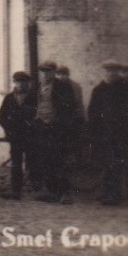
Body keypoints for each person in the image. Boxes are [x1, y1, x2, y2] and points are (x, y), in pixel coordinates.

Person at [89, 61, 128, 207]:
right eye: (109, 71)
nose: (111, 74)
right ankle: (111, 196)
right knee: (110, 165)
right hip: (107, 135)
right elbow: (93, 113)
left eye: (114, 71)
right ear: (104, 72)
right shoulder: (98, 90)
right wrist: (96, 133)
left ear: (118, 72)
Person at [31, 60, 83, 203]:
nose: (46, 73)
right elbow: (36, 104)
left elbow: (69, 107)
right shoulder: (39, 86)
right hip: (42, 126)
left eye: (48, 71)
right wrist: (37, 120)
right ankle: (51, 191)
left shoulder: (63, 87)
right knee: (46, 159)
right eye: (43, 71)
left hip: (58, 127)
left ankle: (65, 193)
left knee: (60, 160)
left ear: (54, 72)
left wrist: (63, 124)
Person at [0, 70, 37, 199]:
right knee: (16, 163)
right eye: (18, 82)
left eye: (24, 82)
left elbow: (39, 114)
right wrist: (8, 129)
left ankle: (36, 189)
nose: (21, 85)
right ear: (14, 83)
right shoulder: (9, 98)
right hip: (15, 135)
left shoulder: (34, 97)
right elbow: (1, 116)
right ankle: (16, 191)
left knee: (33, 161)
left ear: (28, 83)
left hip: (30, 134)